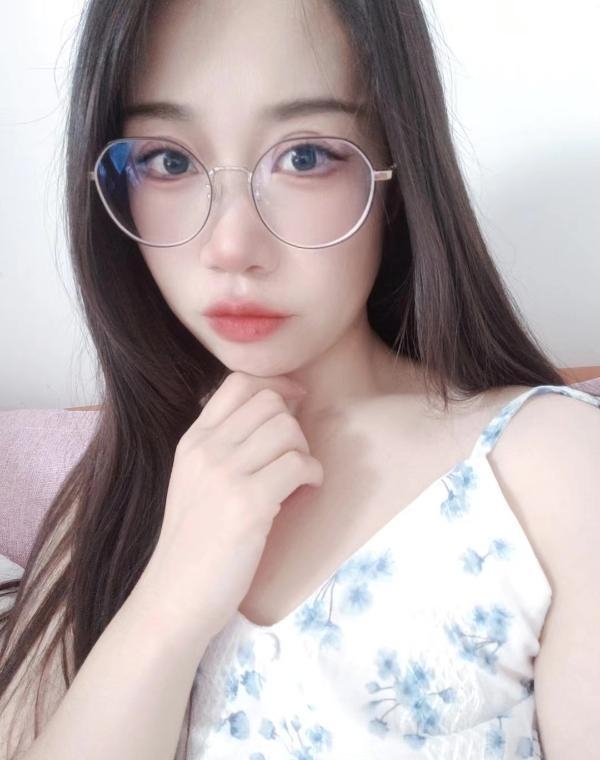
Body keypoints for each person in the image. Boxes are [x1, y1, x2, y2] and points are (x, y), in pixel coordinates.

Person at [0, 0, 599, 758]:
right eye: (169, 161)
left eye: (306, 156)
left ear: (398, 172)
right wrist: (170, 597)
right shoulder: (115, 488)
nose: (230, 246)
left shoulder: (546, 466)